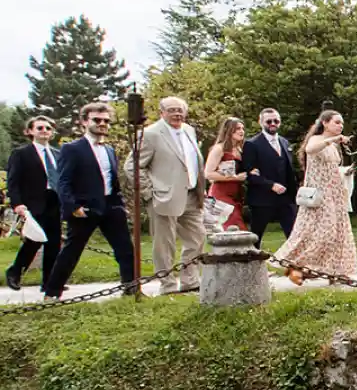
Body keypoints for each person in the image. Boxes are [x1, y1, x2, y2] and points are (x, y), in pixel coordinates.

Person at [41, 102, 137, 299]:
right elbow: (63, 181)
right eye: (97, 120)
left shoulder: (109, 150)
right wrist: (73, 206)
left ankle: (131, 290)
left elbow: (112, 179)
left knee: (126, 250)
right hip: (84, 208)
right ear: (84, 122)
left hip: (111, 206)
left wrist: (121, 205)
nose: (102, 124)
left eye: (106, 121)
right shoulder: (72, 148)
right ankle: (52, 293)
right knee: (72, 251)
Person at [275, 110, 357, 287]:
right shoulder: (317, 139)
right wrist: (332, 140)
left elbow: (331, 169)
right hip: (320, 195)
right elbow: (310, 149)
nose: (340, 126)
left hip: (335, 194)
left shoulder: (334, 146)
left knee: (339, 233)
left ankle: (337, 272)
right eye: (337, 122)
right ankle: (297, 265)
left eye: (342, 123)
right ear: (325, 123)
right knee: (323, 233)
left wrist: (346, 172)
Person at [136, 96, 208, 295]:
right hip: (162, 197)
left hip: (191, 194)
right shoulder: (150, 134)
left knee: (197, 238)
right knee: (164, 244)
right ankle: (167, 285)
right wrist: (149, 192)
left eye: (180, 110)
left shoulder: (189, 130)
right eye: (172, 110)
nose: (177, 114)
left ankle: (190, 281)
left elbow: (191, 162)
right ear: (162, 113)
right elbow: (133, 166)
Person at [5, 115, 61, 291]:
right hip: (34, 202)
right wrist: (17, 204)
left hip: (55, 201)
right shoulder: (22, 153)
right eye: (40, 128)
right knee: (34, 239)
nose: (44, 131)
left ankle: (49, 282)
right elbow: (13, 181)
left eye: (48, 128)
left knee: (54, 243)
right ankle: (15, 272)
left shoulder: (57, 154)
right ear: (30, 131)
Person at [240, 108, 298, 246]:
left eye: (276, 121)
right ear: (260, 122)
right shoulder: (251, 144)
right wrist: (270, 185)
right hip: (262, 199)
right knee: (256, 238)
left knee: (294, 236)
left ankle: (294, 260)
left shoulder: (285, 142)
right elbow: (249, 175)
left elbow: (290, 170)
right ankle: (253, 259)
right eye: (269, 121)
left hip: (286, 199)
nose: (273, 124)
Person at [203, 116, 249, 233]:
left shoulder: (240, 149)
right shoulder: (219, 149)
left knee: (236, 229)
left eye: (242, 128)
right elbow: (208, 174)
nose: (241, 131)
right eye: (237, 128)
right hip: (221, 194)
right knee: (234, 228)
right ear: (228, 130)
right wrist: (235, 178)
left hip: (237, 194)